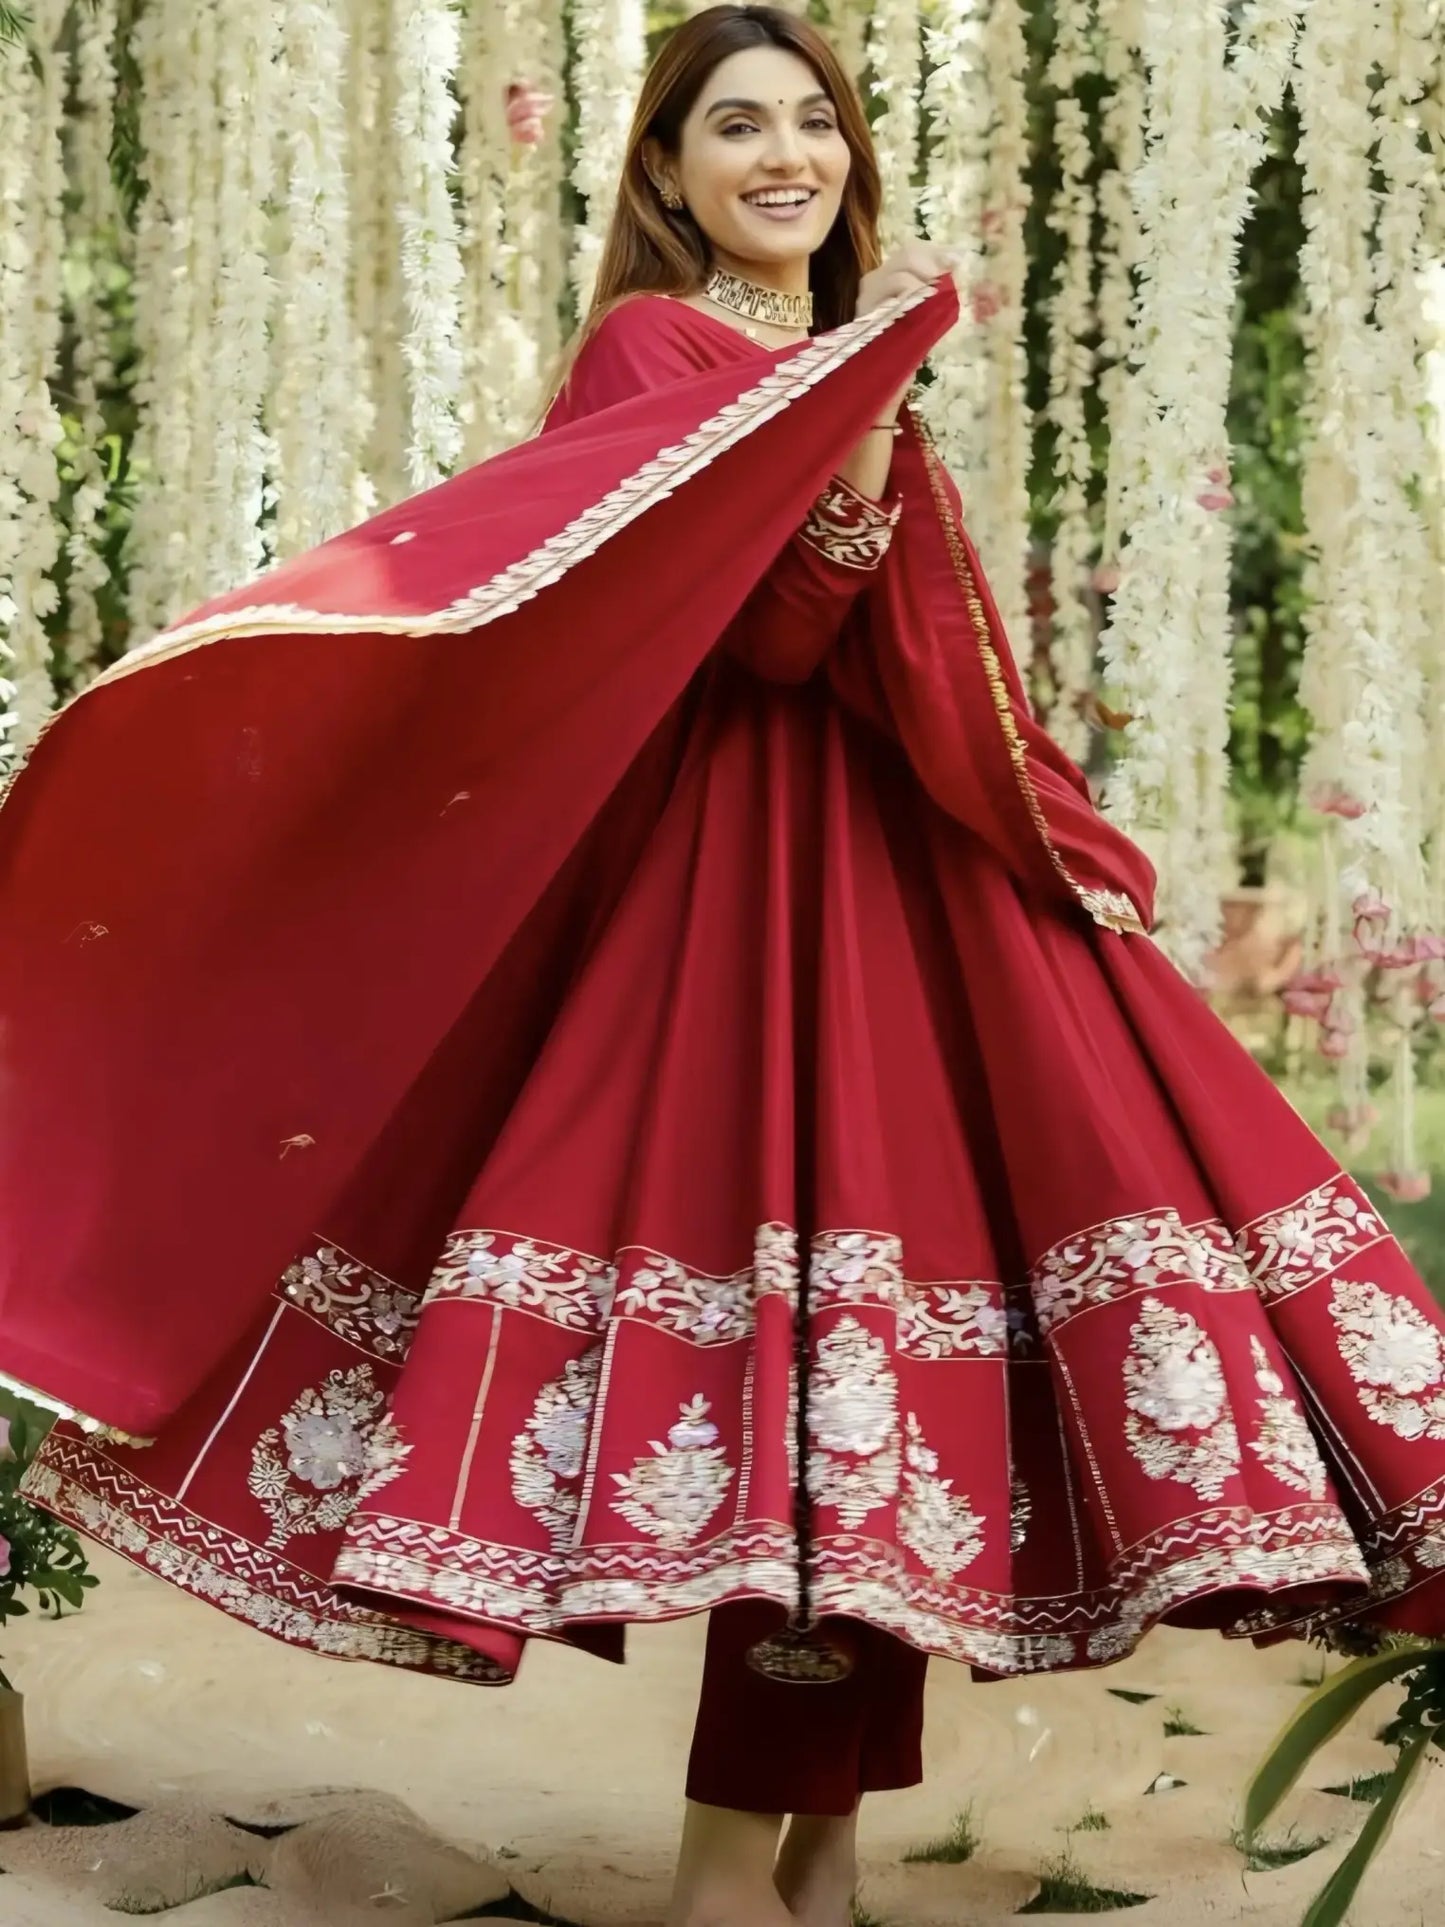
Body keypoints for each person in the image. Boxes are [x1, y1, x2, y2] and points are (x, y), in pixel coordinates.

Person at [1, 8, 1443, 1926]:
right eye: (736, 129)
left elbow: (930, 650)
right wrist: (862, 394)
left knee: (896, 1397)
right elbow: (772, 639)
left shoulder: (833, 352)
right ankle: (716, 1877)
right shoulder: (658, 347)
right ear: (665, 177)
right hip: (739, 905)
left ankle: (817, 1861)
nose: (789, 157)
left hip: (908, 883)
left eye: (817, 123)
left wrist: (1050, 832)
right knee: (798, 1387)